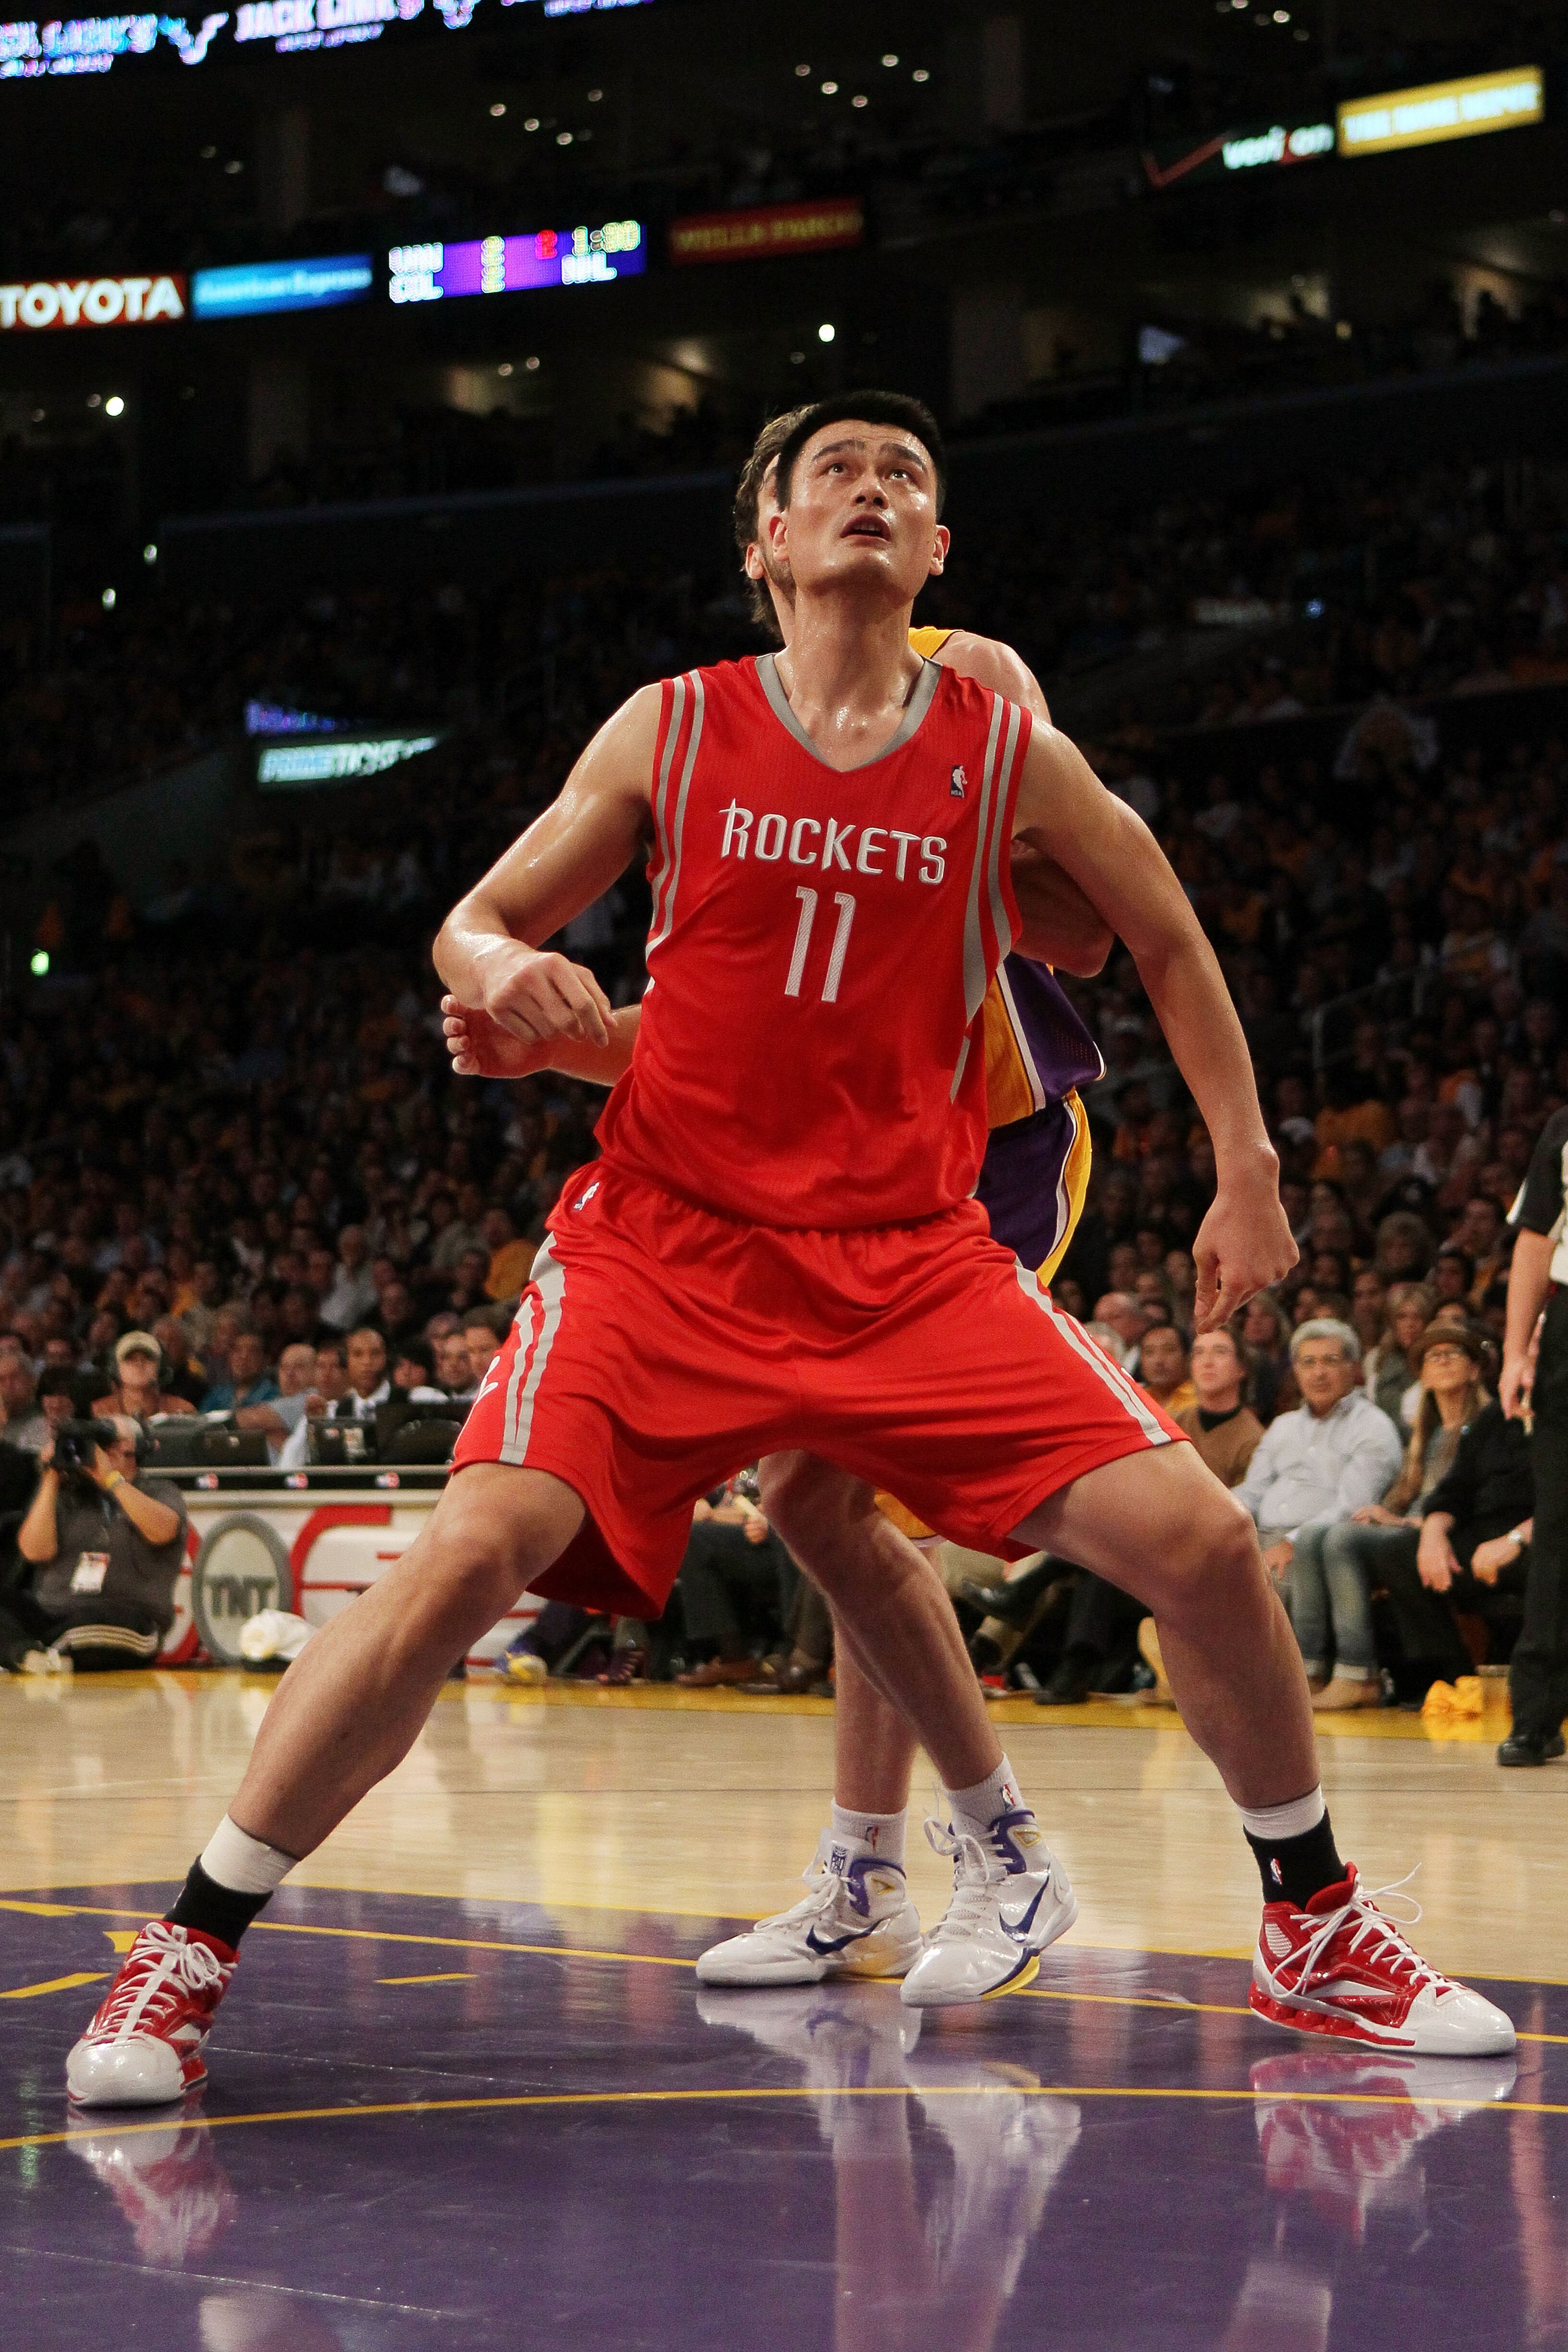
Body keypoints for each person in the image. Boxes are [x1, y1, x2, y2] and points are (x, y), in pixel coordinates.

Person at [72, 390, 1511, 2110]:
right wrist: (496, 977)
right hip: (662, 1254)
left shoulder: (996, 743)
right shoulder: (671, 728)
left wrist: (1247, 1164)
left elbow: (1164, 931)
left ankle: (1306, 1920)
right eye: (832, 469)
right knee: (471, 1556)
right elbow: (485, 921)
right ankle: (189, 1948)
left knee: (1197, 1542)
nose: (872, 487)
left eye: (904, 474)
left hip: (906, 1255)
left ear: (936, 552)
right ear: (761, 543)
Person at [1298, 1323, 1490, 1711]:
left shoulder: (1488, 1427)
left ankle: (1357, 1673)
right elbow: (1405, 1495)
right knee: (1316, 1536)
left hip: (1455, 1534)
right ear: (1421, 1374)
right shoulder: (1426, 1432)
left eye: (1454, 1353)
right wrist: (1383, 1514)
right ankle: (1309, 1669)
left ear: (1475, 1369)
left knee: (1341, 1540)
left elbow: (1477, 1502)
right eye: (1433, 1356)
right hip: (1413, 1531)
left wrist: (1403, 1524)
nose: (1443, 1361)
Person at [1235, 1320, 1404, 1694]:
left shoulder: (1373, 1427)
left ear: (1354, 1369)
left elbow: (1351, 1507)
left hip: (1314, 1545)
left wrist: (1290, 1542)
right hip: (1259, 1537)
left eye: (1330, 1361)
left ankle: (1274, 1685)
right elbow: (1253, 1490)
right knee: (1197, 1577)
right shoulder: (1283, 1426)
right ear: (1295, 1371)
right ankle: (1196, 1677)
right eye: (1308, 1363)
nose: (1319, 1372)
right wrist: (1216, 1518)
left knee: (1261, 1592)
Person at [5, 1415, 186, 1674]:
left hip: (124, 1616)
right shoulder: (67, 1494)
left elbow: (163, 1531)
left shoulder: (159, 1491)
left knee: (93, 1624)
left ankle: (34, 1652)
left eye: (111, 1446)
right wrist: (51, 1478)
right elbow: (35, 1552)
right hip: (56, 1611)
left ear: (135, 1451)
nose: (100, 1453)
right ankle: (34, 1656)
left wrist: (112, 1480)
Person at [1499, 1111, 1568, 1764]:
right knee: (1559, 1532)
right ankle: (1537, 1715)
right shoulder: (1563, 1128)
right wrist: (1516, 1352)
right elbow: (1534, 1239)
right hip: (1567, 1335)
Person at [1176, 1326, 1264, 1488]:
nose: (1207, 1362)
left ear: (1241, 1368)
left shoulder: (1253, 1439)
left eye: (1220, 1352)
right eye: (1199, 1353)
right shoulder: (1175, 1423)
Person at [1136, 1324, 1196, 1418]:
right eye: (1149, 1352)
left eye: (1169, 1350)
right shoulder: (1135, 1401)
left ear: (1187, 1358)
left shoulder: (1201, 1401)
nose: (1158, 1360)